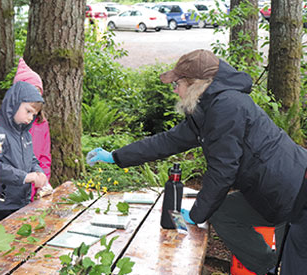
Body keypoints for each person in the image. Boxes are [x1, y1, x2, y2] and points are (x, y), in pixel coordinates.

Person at [87, 49, 307, 275]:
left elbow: (222, 171)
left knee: (295, 265)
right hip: (267, 191)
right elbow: (168, 141)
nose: (174, 89)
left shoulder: (227, 107)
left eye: (177, 83)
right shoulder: (207, 109)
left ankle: (276, 264)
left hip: (295, 193)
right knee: (223, 213)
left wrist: (196, 214)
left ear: (195, 84)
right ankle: (268, 265)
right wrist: (116, 156)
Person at [0, 81, 49, 228]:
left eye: (34, 114)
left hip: (20, 201)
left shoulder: (25, 135)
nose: (31, 117)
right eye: (28, 111)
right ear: (14, 104)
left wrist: (38, 172)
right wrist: (25, 177)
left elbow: (31, 159)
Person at [12, 58, 52, 200]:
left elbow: (45, 158)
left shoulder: (42, 124)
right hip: (12, 190)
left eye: (37, 92)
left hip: (34, 189)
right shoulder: (5, 123)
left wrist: (43, 181)